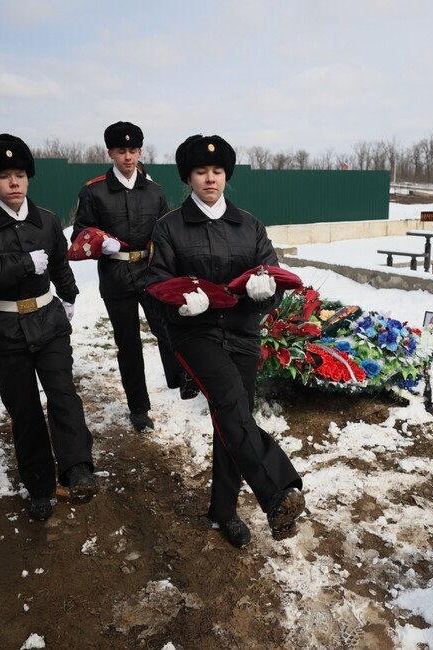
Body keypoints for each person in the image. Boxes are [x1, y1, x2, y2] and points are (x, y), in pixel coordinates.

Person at [145, 134, 305, 548]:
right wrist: (181, 305)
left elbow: (271, 274)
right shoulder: (169, 227)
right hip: (195, 333)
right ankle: (277, 492)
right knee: (232, 403)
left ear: (226, 176)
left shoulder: (249, 224)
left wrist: (265, 293)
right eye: (201, 172)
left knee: (232, 420)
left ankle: (224, 510)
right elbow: (154, 285)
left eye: (217, 172)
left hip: (242, 330)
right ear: (188, 178)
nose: (210, 179)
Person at [0, 133, 98, 521]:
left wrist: (69, 297)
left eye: (20, 174)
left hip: (48, 321)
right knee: (24, 409)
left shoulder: (45, 219)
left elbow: (60, 262)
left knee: (63, 394)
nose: (14, 183)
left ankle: (78, 469)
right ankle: (40, 485)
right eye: (4, 176)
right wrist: (23, 264)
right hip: (3, 326)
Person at [71, 121, 195, 434]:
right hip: (116, 276)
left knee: (167, 325)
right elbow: (79, 233)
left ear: (140, 151)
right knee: (129, 344)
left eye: (133, 150)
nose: (128, 157)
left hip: (150, 272)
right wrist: (101, 242)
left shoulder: (153, 191)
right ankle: (139, 409)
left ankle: (180, 378)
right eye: (121, 150)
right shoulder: (94, 191)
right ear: (110, 152)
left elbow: (167, 231)